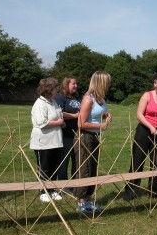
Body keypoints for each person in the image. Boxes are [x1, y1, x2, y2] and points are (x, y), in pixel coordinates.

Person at [123, 72, 157, 201]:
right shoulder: (147, 95)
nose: (156, 85)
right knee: (138, 160)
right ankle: (130, 192)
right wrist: (150, 127)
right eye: (155, 82)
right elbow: (139, 114)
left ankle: (155, 191)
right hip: (144, 129)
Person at [73, 71, 112, 214]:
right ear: (100, 83)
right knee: (84, 168)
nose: (109, 85)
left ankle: (89, 198)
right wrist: (100, 126)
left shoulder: (100, 98)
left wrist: (107, 115)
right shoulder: (88, 99)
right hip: (85, 137)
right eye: (107, 82)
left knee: (93, 168)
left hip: (95, 136)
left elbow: (100, 112)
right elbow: (81, 123)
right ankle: (81, 201)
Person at [30, 78, 66, 202]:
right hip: (43, 142)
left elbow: (58, 115)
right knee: (44, 167)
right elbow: (42, 123)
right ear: (49, 89)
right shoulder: (40, 104)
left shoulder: (53, 101)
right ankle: (43, 191)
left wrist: (61, 123)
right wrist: (58, 122)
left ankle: (51, 189)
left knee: (54, 166)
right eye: (55, 88)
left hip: (55, 140)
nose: (57, 90)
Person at [55, 76, 81, 191]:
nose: (75, 86)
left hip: (78, 132)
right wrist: (75, 116)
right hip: (65, 133)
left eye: (76, 84)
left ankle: (74, 184)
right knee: (64, 160)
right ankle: (63, 185)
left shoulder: (78, 97)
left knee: (77, 160)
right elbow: (59, 113)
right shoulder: (60, 97)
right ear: (66, 84)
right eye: (73, 84)